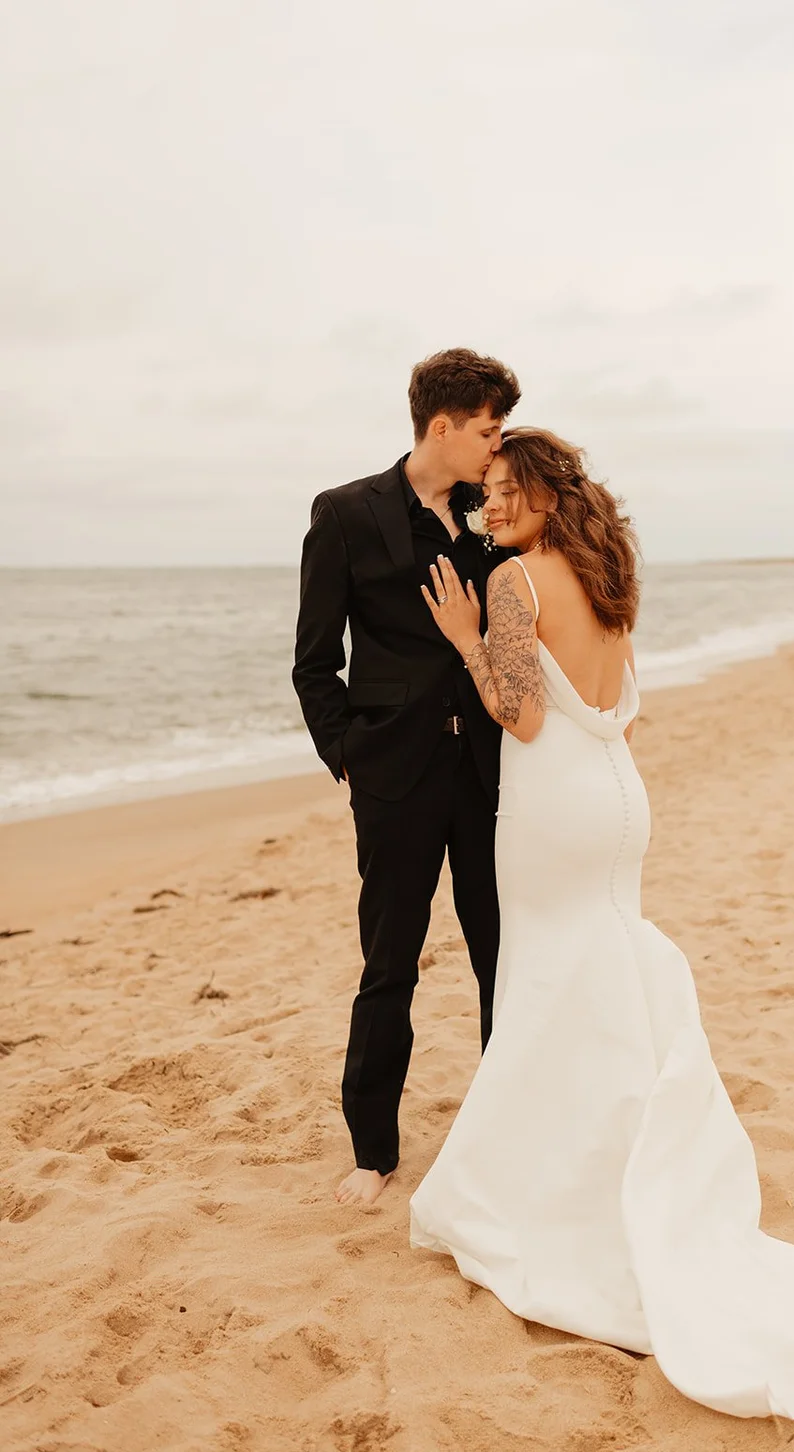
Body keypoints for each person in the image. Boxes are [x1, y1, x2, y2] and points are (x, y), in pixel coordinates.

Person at [409, 427, 794, 1420]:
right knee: (589, 980)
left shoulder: (517, 582)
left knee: (548, 988)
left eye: (510, 492)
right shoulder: (608, 585)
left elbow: (518, 715)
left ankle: (557, 1191)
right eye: (486, 496)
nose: (493, 510)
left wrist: (466, 638)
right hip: (617, 798)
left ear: (551, 496)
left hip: (554, 810)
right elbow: (623, 715)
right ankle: (602, 1160)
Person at [292, 348, 521, 1206]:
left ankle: (508, 1125)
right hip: (395, 776)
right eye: (487, 432)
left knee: (504, 956)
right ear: (442, 426)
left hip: (491, 773)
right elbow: (315, 664)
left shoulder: (490, 516)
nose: (495, 451)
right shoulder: (347, 513)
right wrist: (348, 754)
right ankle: (373, 1150)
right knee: (390, 963)